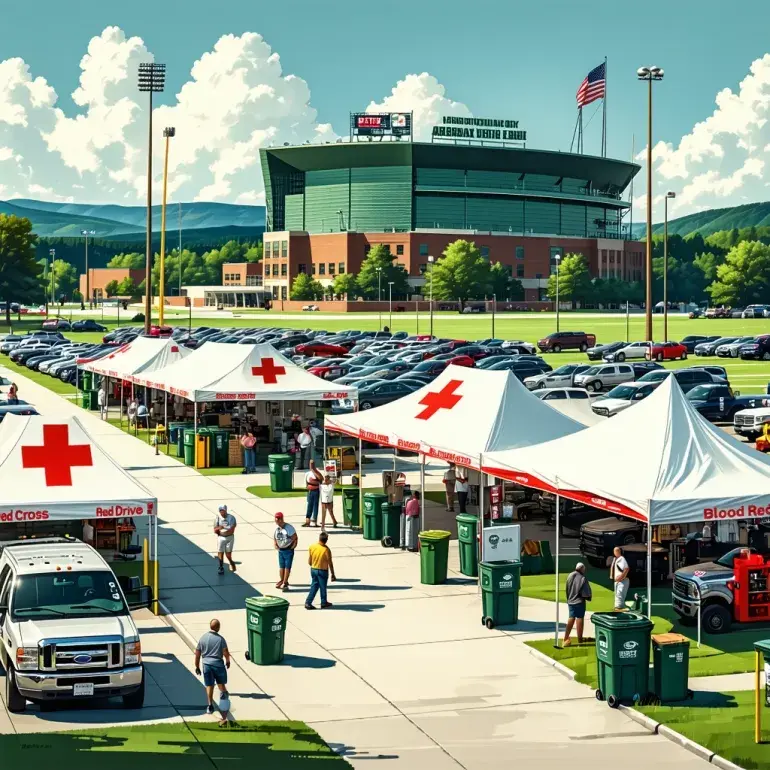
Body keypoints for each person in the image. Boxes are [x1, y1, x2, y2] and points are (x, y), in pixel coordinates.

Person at [194, 619, 231, 719]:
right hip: (218, 665)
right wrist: (228, 661)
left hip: (207, 666)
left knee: (209, 685)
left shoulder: (203, 638)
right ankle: (224, 699)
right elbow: (225, 652)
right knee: (221, 684)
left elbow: (197, 654)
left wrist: (197, 667)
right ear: (218, 627)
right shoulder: (220, 639)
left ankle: (210, 705)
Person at [305, 531, 336, 610]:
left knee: (314, 586)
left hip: (313, 569)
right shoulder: (326, 550)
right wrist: (333, 574)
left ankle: (308, 602)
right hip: (322, 571)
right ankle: (323, 602)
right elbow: (330, 563)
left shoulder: (312, 546)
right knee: (323, 587)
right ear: (326, 540)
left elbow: (309, 561)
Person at [563, 563, 592, 646]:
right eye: (584, 569)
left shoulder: (570, 575)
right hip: (579, 601)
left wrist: (569, 598)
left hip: (570, 601)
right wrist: (588, 597)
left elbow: (567, 588)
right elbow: (586, 592)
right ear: (581, 568)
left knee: (571, 617)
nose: (584, 571)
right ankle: (580, 639)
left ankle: (565, 638)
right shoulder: (582, 578)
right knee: (579, 618)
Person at [273, 512, 297, 591]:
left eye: (277, 519)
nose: (276, 521)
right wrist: (276, 544)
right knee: (281, 567)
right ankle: (281, 580)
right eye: (276, 519)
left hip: (288, 550)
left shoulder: (289, 528)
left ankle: (285, 582)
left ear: (281, 519)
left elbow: (295, 537)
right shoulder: (278, 529)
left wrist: (292, 547)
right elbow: (275, 537)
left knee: (287, 567)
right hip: (281, 550)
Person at [214, 505, 237, 575]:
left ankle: (231, 562)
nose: (222, 512)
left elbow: (232, 530)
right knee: (220, 552)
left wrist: (225, 530)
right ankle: (221, 567)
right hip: (221, 537)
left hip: (230, 538)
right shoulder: (217, 518)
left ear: (226, 510)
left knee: (228, 555)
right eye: (220, 511)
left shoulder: (232, 518)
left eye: (223, 510)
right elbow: (215, 529)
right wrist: (219, 529)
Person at [303, 460, 323, 527]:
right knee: (309, 506)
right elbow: (306, 483)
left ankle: (314, 521)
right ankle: (307, 521)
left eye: (312, 464)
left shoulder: (317, 472)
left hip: (316, 491)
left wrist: (314, 470)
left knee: (315, 506)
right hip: (310, 492)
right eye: (310, 464)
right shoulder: (307, 473)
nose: (311, 465)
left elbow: (321, 479)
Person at [610, 546, 630, 610]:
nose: (614, 552)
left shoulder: (621, 559)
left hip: (622, 581)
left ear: (618, 551)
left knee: (619, 595)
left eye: (615, 551)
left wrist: (621, 577)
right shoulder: (616, 559)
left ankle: (619, 609)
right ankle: (618, 608)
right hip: (618, 581)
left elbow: (626, 569)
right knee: (618, 596)